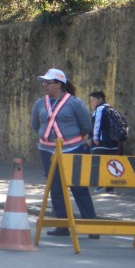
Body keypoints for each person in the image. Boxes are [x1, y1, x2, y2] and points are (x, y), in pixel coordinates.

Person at [30, 68, 99, 238]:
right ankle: (62, 225)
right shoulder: (40, 103)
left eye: (48, 82)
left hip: (72, 149)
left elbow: (86, 126)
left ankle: (91, 226)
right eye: (43, 82)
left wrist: (70, 138)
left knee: (79, 187)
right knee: (56, 188)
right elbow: (35, 125)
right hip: (48, 151)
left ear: (59, 84)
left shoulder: (74, 103)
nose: (44, 85)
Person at [89, 90, 120, 194]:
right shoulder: (111, 109)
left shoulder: (100, 109)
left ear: (100, 99)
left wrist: (95, 138)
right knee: (111, 164)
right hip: (112, 143)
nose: (92, 103)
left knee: (99, 164)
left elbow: (97, 124)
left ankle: (100, 185)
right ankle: (110, 187)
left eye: (93, 100)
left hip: (101, 143)